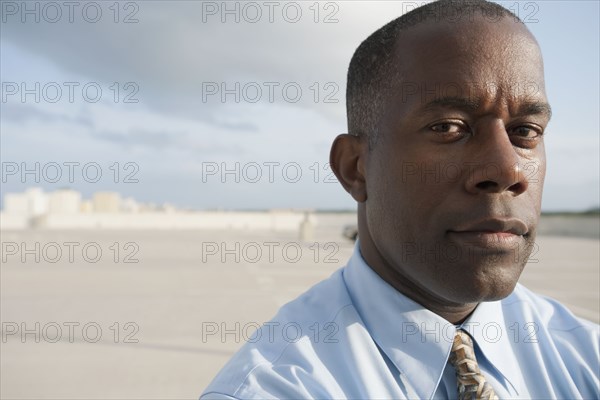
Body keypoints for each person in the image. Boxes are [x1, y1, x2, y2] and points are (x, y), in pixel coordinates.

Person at [201, 1, 599, 398]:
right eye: (448, 127)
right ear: (355, 168)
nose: (507, 170)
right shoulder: (279, 386)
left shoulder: (585, 357)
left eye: (526, 131)